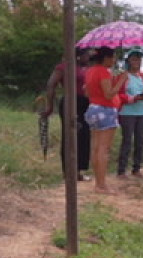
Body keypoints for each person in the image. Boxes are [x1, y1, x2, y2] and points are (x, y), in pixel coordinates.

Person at [41, 48, 92, 182]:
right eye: (86, 54)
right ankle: (68, 171)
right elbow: (51, 85)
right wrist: (49, 106)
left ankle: (79, 170)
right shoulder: (63, 67)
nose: (89, 57)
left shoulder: (85, 68)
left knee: (84, 136)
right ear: (78, 56)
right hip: (70, 102)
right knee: (70, 136)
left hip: (85, 104)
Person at [81, 47, 124, 195]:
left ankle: (98, 182)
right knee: (104, 149)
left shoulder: (90, 71)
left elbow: (87, 91)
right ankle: (101, 184)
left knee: (96, 147)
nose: (114, 61)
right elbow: (108, 94)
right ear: (105, 58)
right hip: (105, 110)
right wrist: (120, 82)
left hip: (93, 108)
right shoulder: (103, 72)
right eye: (112, 58)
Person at [115, 49, 143, 178]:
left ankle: (137, 168)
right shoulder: (123, 76)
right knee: (127, 141)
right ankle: (121, 170)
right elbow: (119, 94)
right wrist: (133, 98)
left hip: (142, 111)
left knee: (140, 141)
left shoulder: (142, 77)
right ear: (128, 61)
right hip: (127, 112)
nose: (137, 62)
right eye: (134, 59)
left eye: (139, 59)